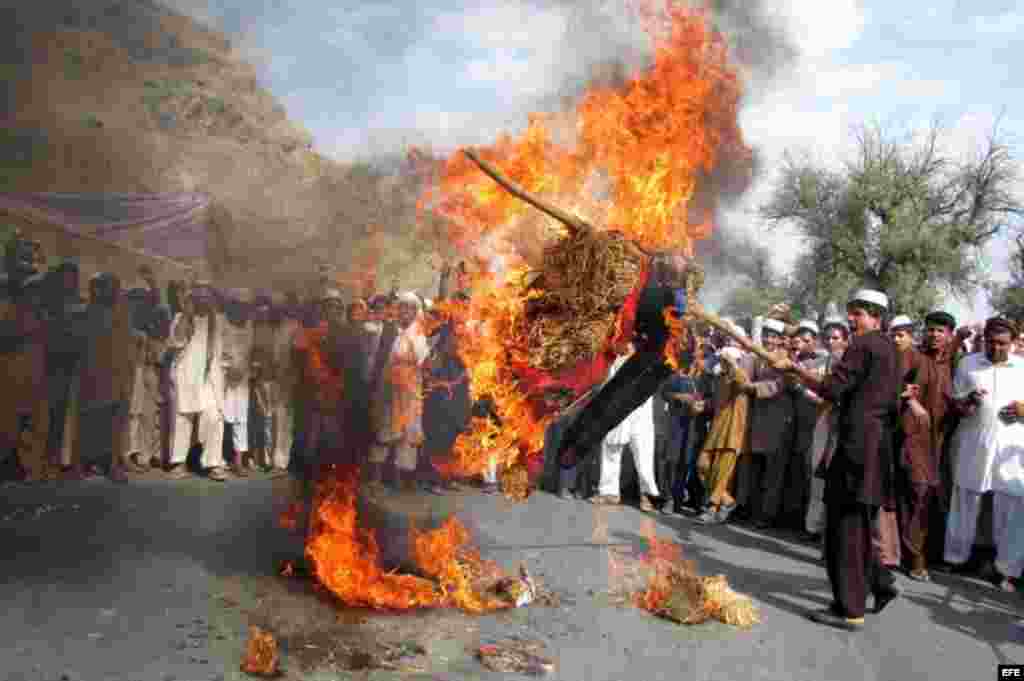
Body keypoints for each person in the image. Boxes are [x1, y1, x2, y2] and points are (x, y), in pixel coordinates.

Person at [777, 288, 902, 630]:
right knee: (858, 525)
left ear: (876, 316)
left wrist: (796, 371)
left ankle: (850, 609)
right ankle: (880, 582)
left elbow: (832, 388)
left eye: (859, 312)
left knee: (844, 529)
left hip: (855, 448)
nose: (852, 318)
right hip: (876, 448)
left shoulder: (862, 345)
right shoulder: (892, 348)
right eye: (851, 311)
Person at [943, 317, 1024, 591]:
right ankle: (956, 558)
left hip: (1011, 448)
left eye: (1002, 343)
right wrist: (968, 402)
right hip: (974, 442)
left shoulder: (1022, 367)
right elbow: (955, 403)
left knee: (1011, 506)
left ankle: (1007, 571)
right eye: (991, 341)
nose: (996, 347)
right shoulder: (969, 364)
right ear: (984, 339)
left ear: (1012, 343)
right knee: (966, 498)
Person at [76, 273, 140, 479]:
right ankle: (83, 464)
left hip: (119, 377)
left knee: (115, 425)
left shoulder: (123, 313)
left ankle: (113, 465)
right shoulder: (88, 312)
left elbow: (127, 345)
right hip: (94, 377)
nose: (110, 291)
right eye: (105, 287)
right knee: (90, 422)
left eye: (113, 287)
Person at [368, 292, 431, 494]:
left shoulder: (419, 336)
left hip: (409, 392)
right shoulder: (390, 331)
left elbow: (424, 365)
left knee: (406, 435)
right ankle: (376, 479)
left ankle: (399, 482)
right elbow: (381, 361)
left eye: (409, 308)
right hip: (388, 390)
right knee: (384, 432)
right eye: (402, 307)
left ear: (415, 312)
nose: (404, 312)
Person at [735, 317, 793, 529]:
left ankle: (767, 516)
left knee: (773, 473)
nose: (769, 339)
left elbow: (779, 385)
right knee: (756, 469)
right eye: (766, 334)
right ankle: (751, 510)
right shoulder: (757, 356)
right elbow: (745, 374)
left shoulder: (786, 358)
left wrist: (753, 388)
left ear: (780, 340)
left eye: (773, 336)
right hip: (758, 419)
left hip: (778, 421)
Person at [590, 341, 662, 511]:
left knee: (644, 456)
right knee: (610, 449)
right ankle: (609, 493)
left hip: (640, 416)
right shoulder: (615, 362)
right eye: (625, 343)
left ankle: (648, 496)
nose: (627, 347)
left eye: (630, 344)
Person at [167, 280, 226, 480]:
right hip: (186, 375)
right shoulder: (180, 318)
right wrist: (186, 314)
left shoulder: (217, 320)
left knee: (214, 417)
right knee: (183, 418)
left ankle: (213, 464)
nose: (203, 299)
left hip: (209, 378)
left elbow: (222, 350)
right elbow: (176, 342)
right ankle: (178, 462)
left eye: (206, 295)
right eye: (198, 295)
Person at [694, 338, 751, 524]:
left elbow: (743, 381)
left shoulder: (739, 378)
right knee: (702, 465)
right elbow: (716, 402)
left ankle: (711, 509)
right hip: (716, 431)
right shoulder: (719, 379)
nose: (721, 363)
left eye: (725, 361)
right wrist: (703, 405)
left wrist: (734, 363)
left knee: (721, 474)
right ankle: (728, 501)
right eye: (722, 360)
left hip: (733, 432)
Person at [804, 317, 849, 549]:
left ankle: (830, 533)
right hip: (823, 421)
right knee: (816, 473)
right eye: (829, 338)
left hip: (842, 425)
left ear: (845, 339)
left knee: (835, 476)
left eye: (837, 338)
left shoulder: (850, 363)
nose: (832, 342)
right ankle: (813, 527)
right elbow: (805, 383)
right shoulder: (819, 363)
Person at [222, 289, 255, 475]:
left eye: (245, 307)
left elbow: (250, 353)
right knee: (222, 418)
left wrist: (245, 369)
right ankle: (220, 458)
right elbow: (220, 353)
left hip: (242, 381)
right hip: (224, 380)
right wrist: (228, 369)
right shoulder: (224, 325)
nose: (242, 310)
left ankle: (238, 461)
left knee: (241, 420)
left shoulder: (249, 327)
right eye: (238, 306)